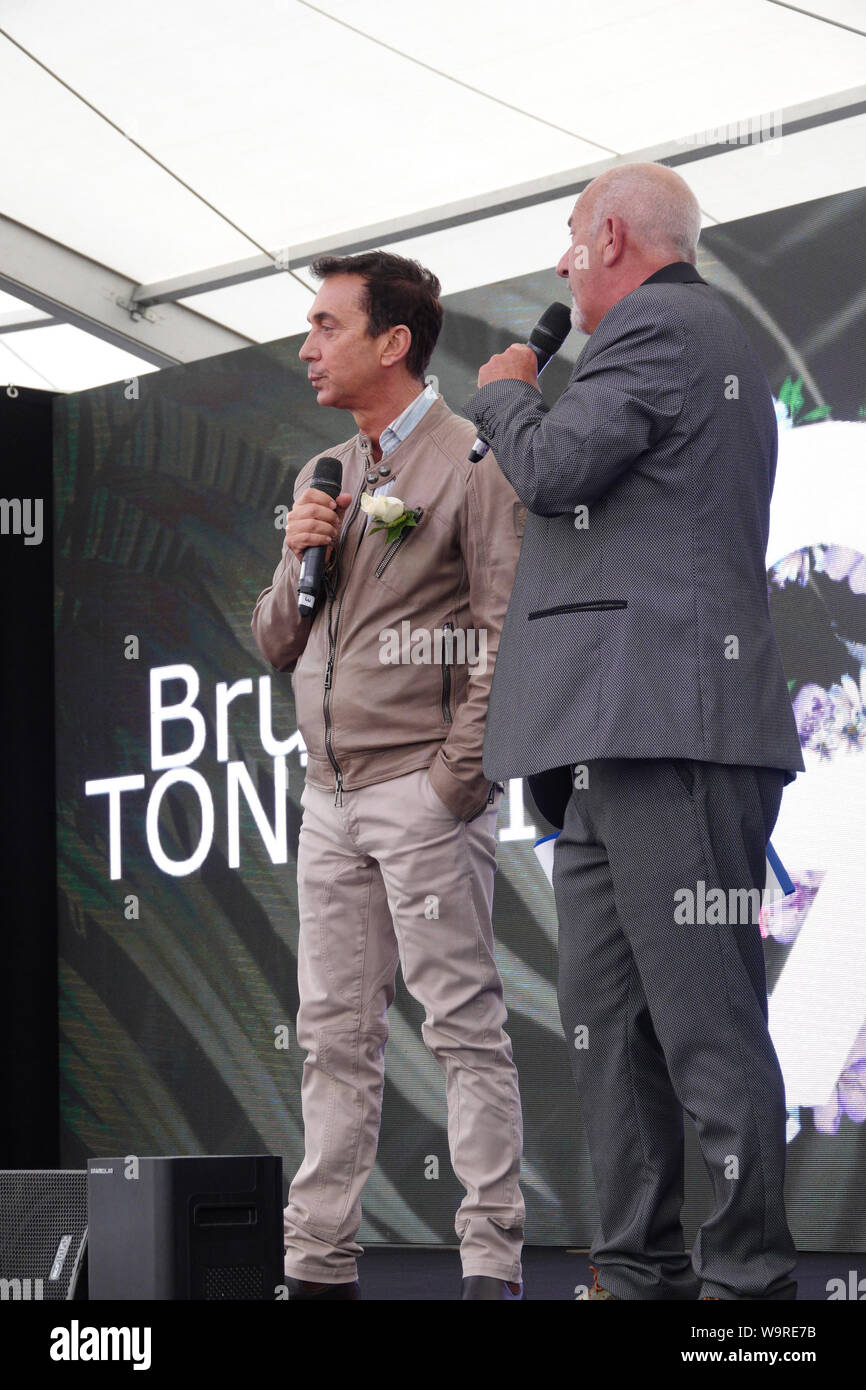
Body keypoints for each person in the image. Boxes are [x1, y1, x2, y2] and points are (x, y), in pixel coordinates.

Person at [463, 162, 805, 1301]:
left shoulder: (664, 325)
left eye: (567, 239)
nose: (563, 263)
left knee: (702, 1018)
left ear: (608, 236)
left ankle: (746, 1287)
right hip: (610, 741)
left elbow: (555, 465)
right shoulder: (672, 338)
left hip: (674, 730)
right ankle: (633, 1270)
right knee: (611, 1029)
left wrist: (510, 387)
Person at [251, 250, 526, 1300]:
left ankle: (490, 1267)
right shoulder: (323, 470)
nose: (306, 346)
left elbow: (505, 631)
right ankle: (317, 1266)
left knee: (461, 1030)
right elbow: (275, 639)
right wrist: (297, 549)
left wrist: (455, 779)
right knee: (332, 1038)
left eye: (326, 326)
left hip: (421, 791)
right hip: (326, 800)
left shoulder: (471, 461)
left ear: (392, 341)